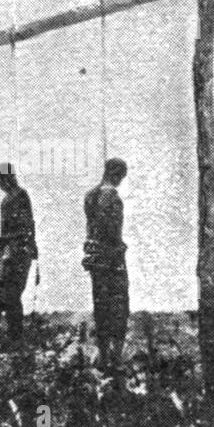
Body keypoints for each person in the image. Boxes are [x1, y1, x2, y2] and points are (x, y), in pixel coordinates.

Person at [0, 163, 37, 349]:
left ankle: (15, 337)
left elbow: (27, 228)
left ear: (7, 178)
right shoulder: (7, 200)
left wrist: (5, 239)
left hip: (19, 253)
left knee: (12, 295)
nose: (0, 184)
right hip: (9, 252)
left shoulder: (20, 196)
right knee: (0, 293)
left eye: (1, 180)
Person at [83, 157, 130, 369]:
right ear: (118, 175)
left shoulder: (90, 196)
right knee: (119, 307)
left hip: (95, 259)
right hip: (112, 259)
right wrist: (119, 248)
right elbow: (113, 233)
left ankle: (103, 356)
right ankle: (115, 357)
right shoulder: (113, 199)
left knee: (101, 306)